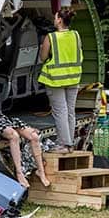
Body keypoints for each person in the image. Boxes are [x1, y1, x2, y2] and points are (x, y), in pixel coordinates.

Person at [38, 9, 83, 153]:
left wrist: (41, 48)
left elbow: (43, 58)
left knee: (60, 112)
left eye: (55, 17)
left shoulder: (50, 38)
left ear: (59, 20)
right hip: (73, 78)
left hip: (55, 80)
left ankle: (64, 145)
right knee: (70, 112)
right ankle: (69, 144)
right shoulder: (76, 35)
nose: (53, 19)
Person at [0, 109, 51, 188]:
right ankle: (19, 173)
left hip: (6, 118)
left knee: (34, 136)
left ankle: (41, 172)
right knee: (14, 136)